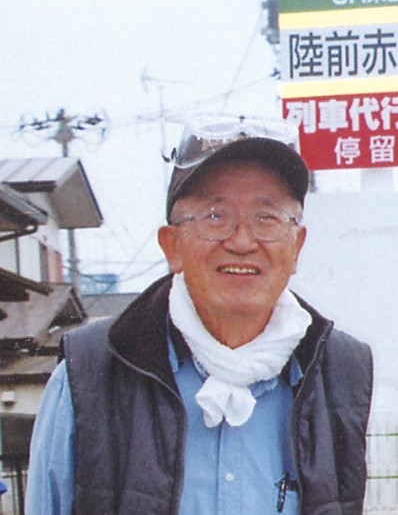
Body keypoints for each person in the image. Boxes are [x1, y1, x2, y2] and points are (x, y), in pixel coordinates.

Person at [26, 116, 374, 514]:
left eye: (267, 218)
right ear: (171, 245)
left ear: (296, 246)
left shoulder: (338, 375)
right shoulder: (88, 377)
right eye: (215, 216)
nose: (242, 242)